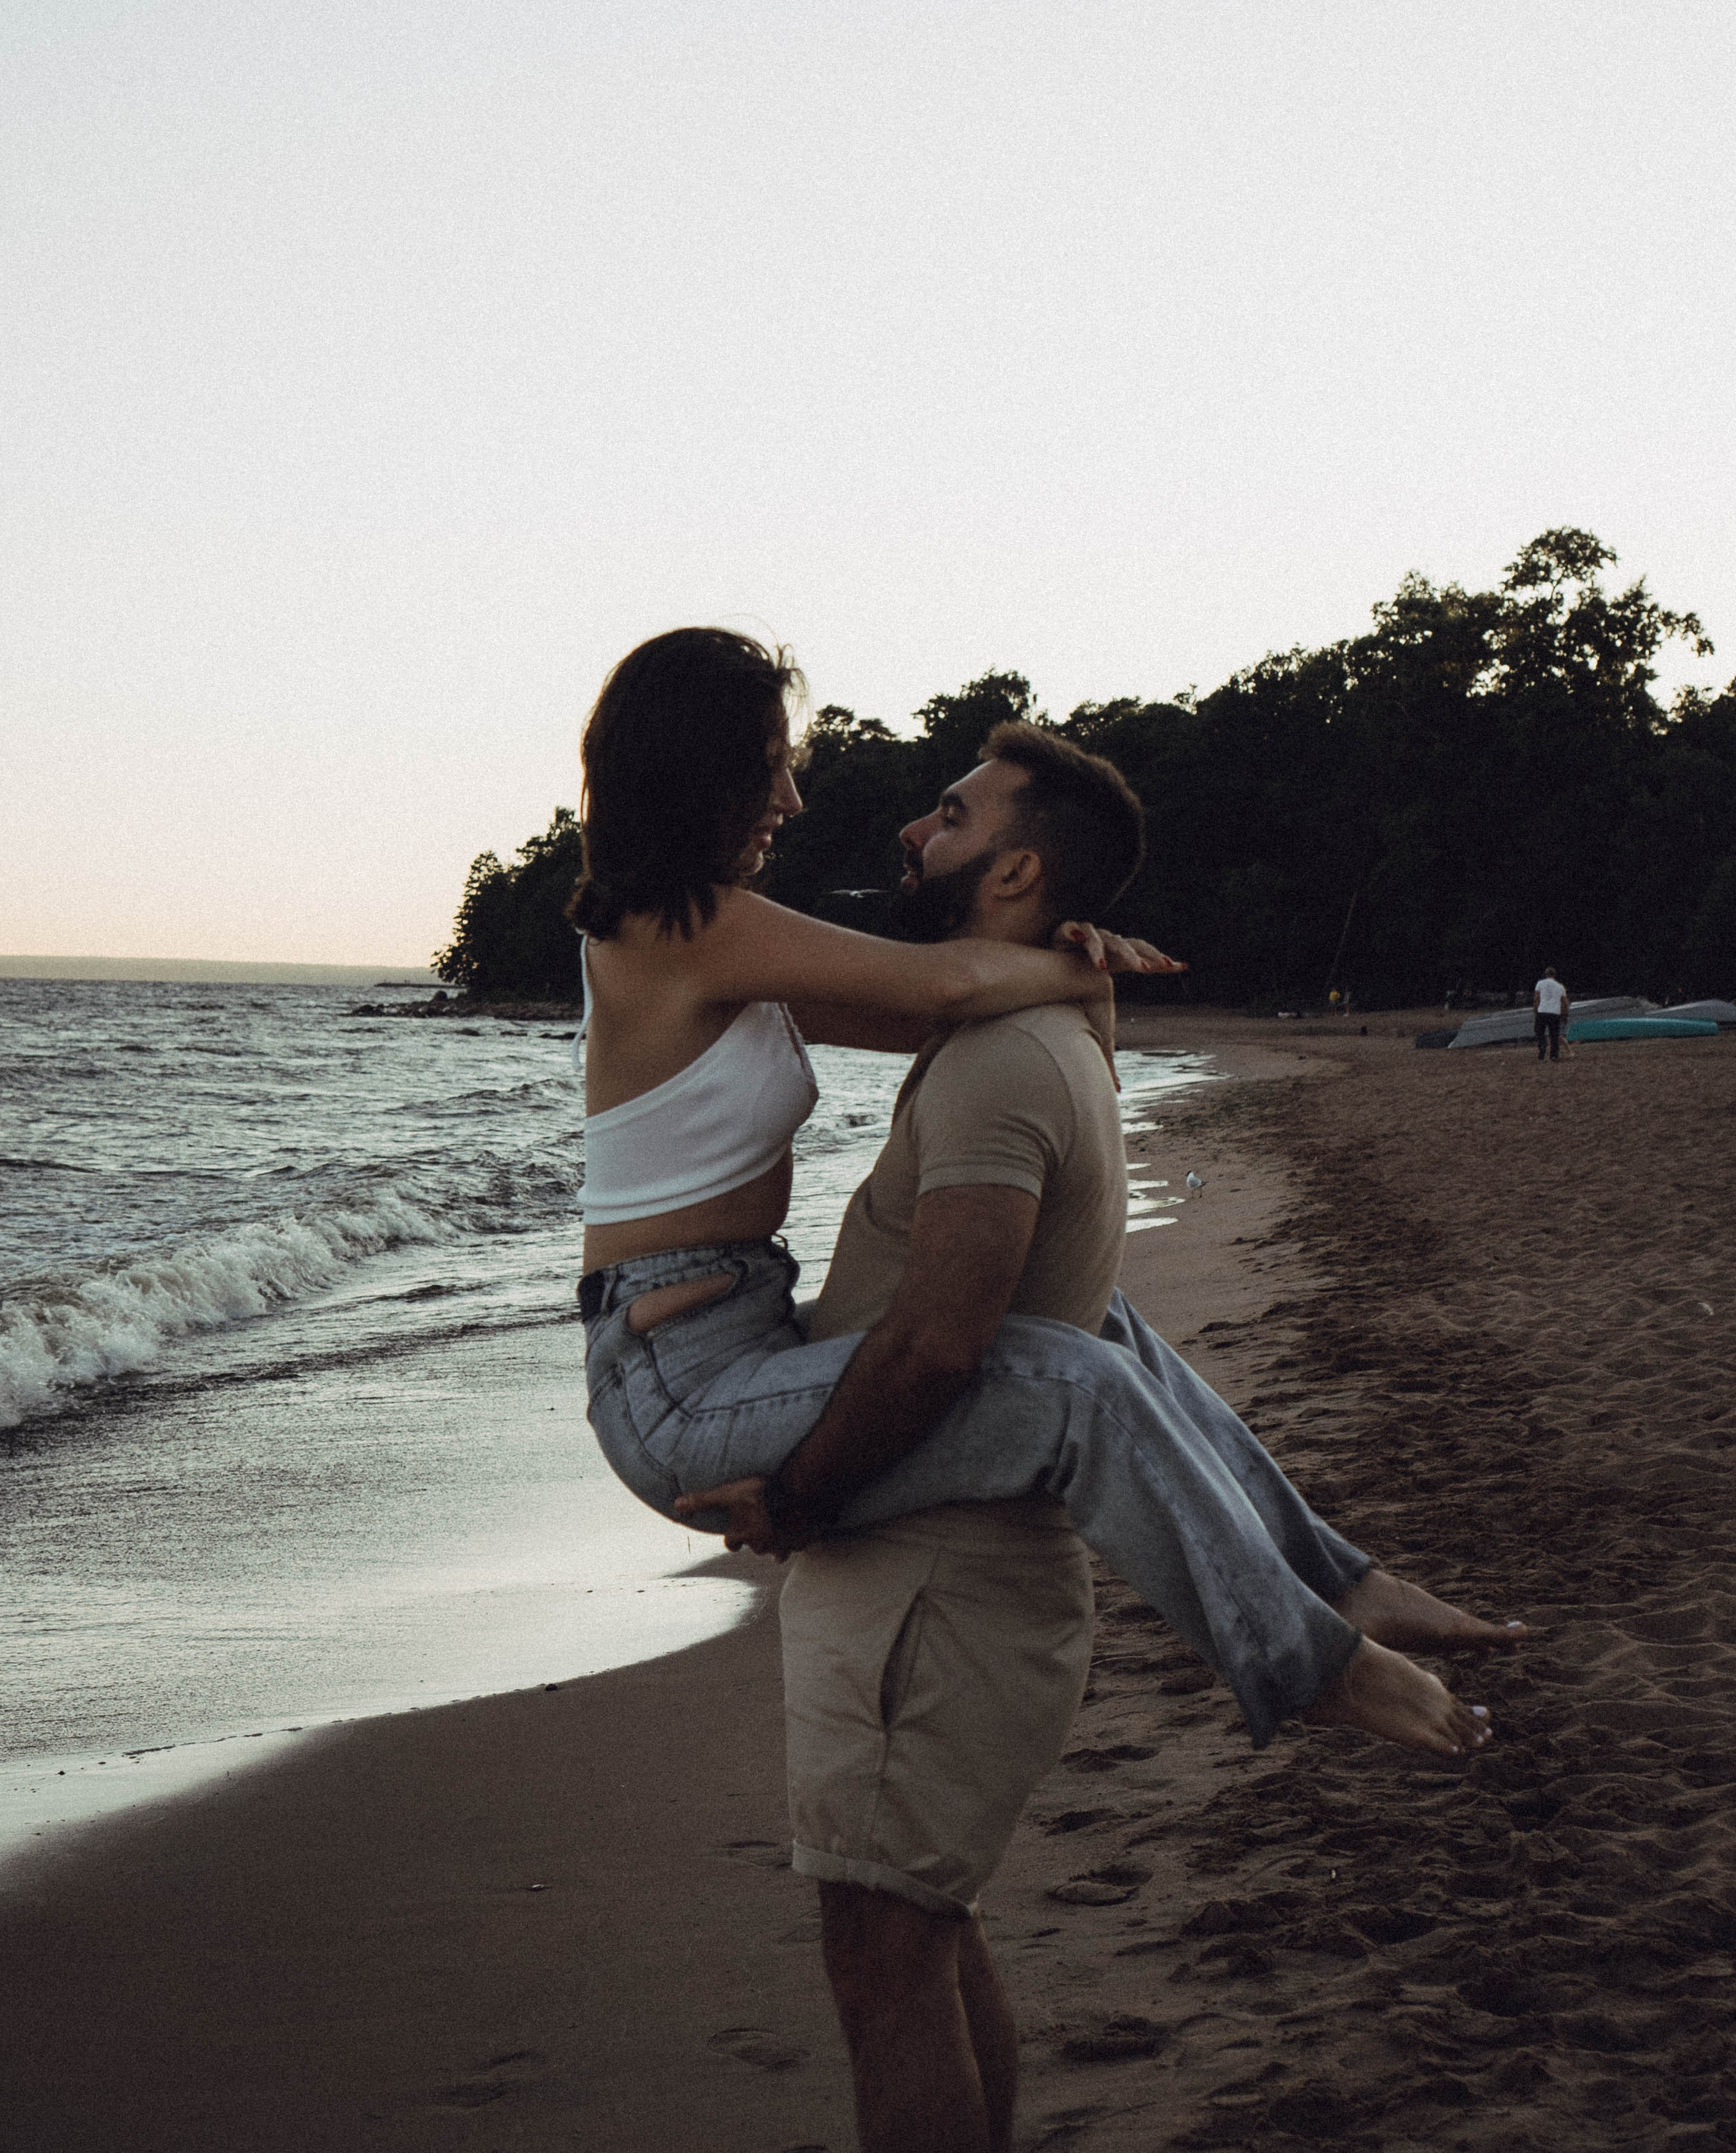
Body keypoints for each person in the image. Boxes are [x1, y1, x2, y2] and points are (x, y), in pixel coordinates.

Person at [575, 630, 1509, 1745]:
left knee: (1092, 1320)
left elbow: (941, 1009)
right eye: (772, 763)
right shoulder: (673, 928)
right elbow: (953, 978)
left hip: (737, 1336)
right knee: (1076, 1382)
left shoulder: (720, 947)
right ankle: (1311, 1666)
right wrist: (1085, 965)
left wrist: (1077, 981)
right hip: (674, 1389)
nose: (793, 795)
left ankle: (1339, 1579)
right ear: (698, 768)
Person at [1533, 966, 1570, 1062]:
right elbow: (1565, 1002)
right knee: (1554, 1035)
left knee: (1539, 1032)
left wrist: (1535, 1010)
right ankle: (1554, 1055)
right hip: (1555, 1012)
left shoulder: (1540, 984)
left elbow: (1536, 999)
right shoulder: (1560, 986)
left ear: (1546, 974)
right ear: (1555, 975)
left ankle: (1542, 1045)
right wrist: (1565, 1015)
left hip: (1543, 1011)